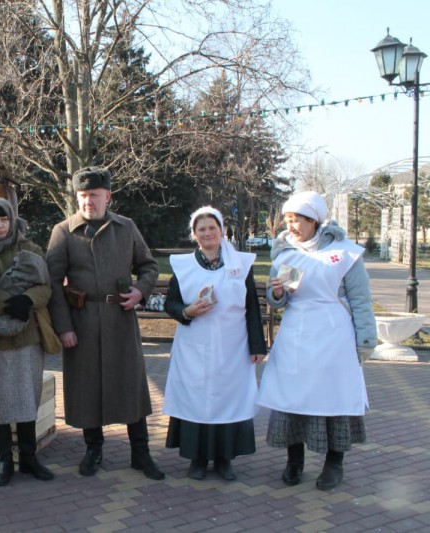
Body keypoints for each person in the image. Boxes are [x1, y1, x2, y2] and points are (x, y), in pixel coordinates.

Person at [46, 166, 165, 480]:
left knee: (132, 386)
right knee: (87, 387)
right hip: (82, 322)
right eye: (83, 195)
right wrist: (64, 327)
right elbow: (53, 284)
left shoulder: (126, 227)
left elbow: (149, 266)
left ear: (108, 196)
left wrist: (140, 291)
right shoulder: (63, 231)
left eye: (95, 195)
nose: (89, 201)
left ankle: (141, 453)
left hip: (120, 320)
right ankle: (93, 450)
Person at [257, 191, 376, 491]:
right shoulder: (286, 254)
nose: (290, 226)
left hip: (334, 338)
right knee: (293, 397)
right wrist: (278, 293)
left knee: (335, 397)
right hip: (296, 336)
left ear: (313, 221)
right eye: (287, 220)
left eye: (296, 220)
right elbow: (277, 300)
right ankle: (294, 461)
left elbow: (361, 300)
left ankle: (334, 463)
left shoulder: (344, 254)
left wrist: (365, 339)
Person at [163, 206, 266, 481]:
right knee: (196, 400)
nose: (207, 233)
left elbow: (252, 307)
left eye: (212, 228)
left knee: (227, 400)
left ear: (221, 231)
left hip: (232, 346)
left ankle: (224, 458)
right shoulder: (184, 266)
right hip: (194, 345)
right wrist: (187, 311)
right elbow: (171, 303)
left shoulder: (240, 265)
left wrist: (257, 345)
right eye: (201, 229)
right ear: (194, 234)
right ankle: (197, 459)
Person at [0, 198, 59, 487]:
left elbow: (46, 286)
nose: (0, 226)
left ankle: (28, 458)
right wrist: (9, 303)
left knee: (26, 397)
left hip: (27, 338)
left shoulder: (30, 249)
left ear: (12, 220)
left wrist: (28, 300)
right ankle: (4, 461)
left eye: (4, 220)